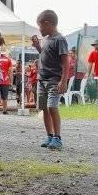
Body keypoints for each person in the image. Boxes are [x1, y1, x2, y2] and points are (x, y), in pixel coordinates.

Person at [32, 10, 71, 150]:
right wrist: (38, 47)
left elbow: (65, 61)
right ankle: (49, 136)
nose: (40, 29)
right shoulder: (48, 39)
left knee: (52, 107)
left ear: (47, 24)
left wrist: (63, 80)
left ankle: (57, 137)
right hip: (42, 79)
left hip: (54, 79)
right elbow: (45, 54)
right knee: (44, 108)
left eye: (40, 26)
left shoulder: (59, 39)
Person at [0, 48, 13, 113]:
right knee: (5, 97)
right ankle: (4, 110)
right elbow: (10, 72)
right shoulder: (8, 60)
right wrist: (11, 81)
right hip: (5, 80)